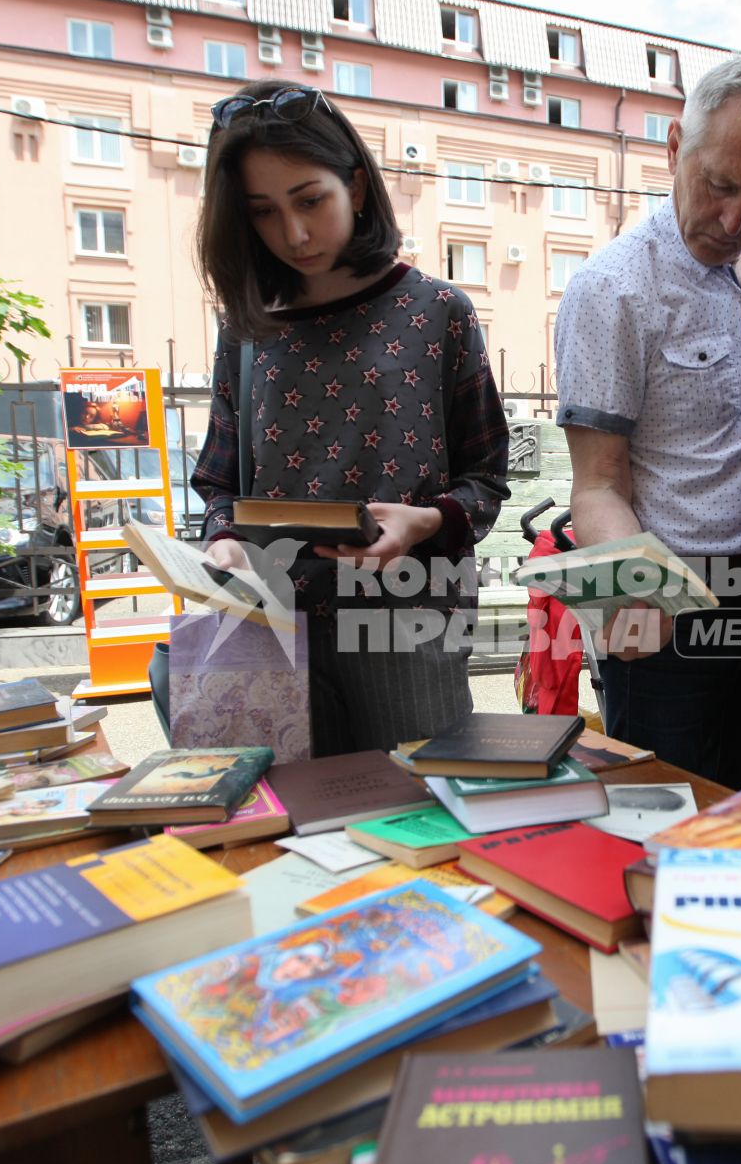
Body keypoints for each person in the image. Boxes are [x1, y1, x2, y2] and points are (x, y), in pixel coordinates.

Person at [189, 81, 509, 755]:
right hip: (271, 628)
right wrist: (222, 543)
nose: (294, 233)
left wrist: (425, 521)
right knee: (287, 839)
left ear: (356, 187)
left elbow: (485, 481)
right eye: (263, 212)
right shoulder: (245, 330)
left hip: (410, 625)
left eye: (310, 201)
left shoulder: (437, 312)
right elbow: (219, 483)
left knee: (423, 829)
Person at [555, 55, 741, 788]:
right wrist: (631, 588)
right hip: (668, 607)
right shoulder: (613, 287)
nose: (736, 220)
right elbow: (596, 482)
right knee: (663, 825)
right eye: (720, 185)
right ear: (675, 148)